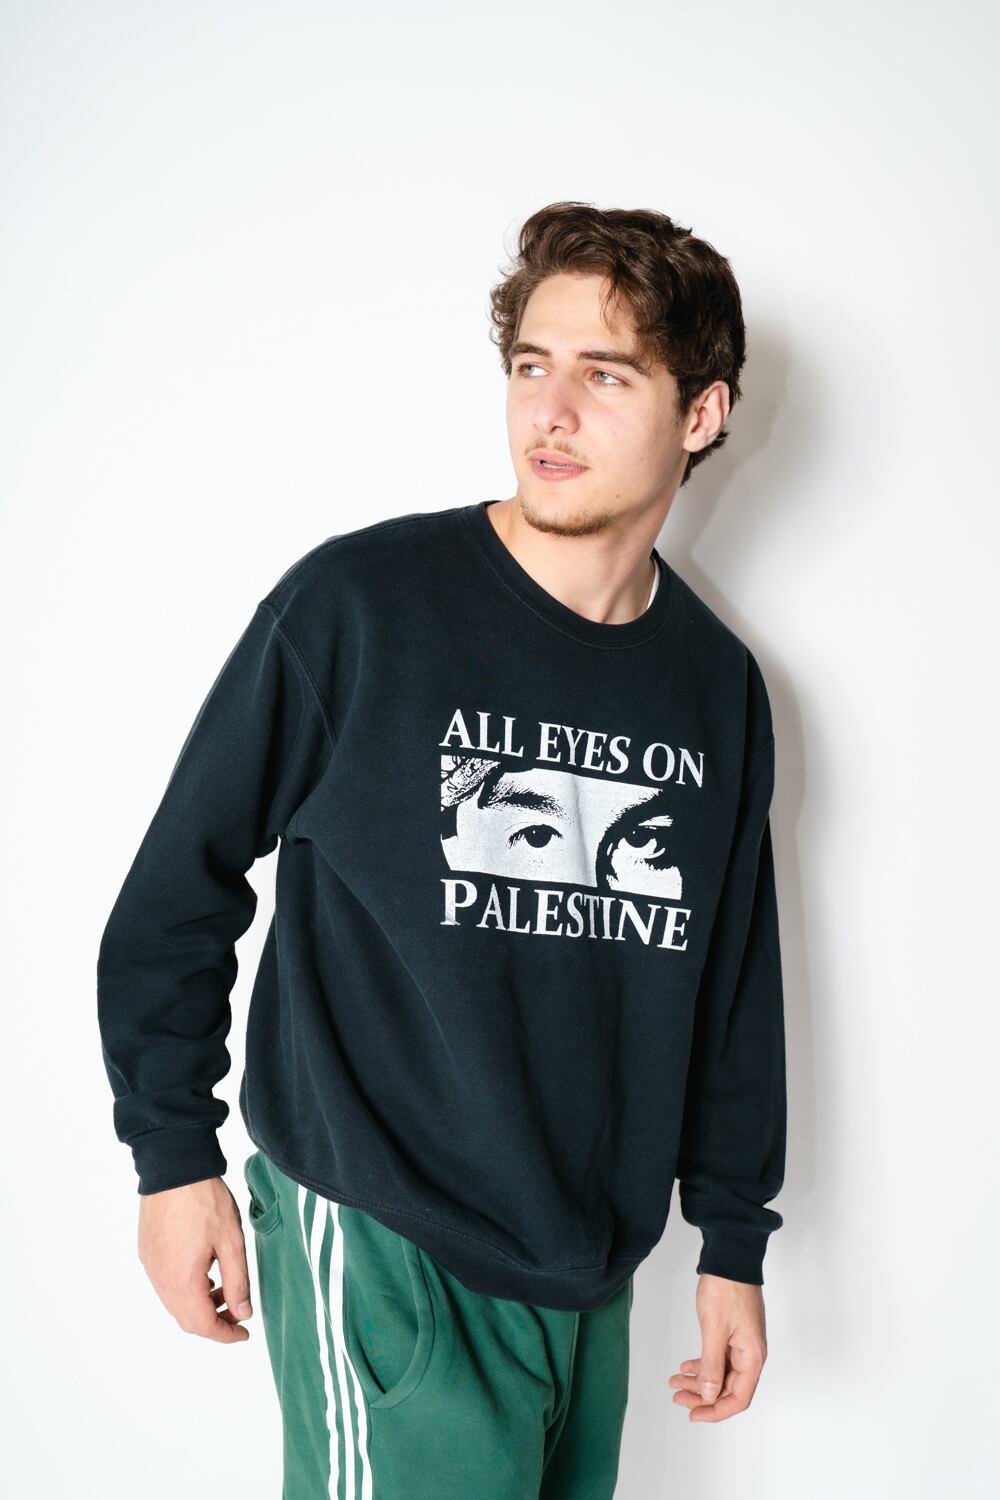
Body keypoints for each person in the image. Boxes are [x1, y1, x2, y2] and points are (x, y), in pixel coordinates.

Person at [97, 200, 787, 1499]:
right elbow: (178, 886)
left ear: (701, 413)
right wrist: (172, 1158)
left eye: (605, 375)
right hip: (387, 1241)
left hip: (588, 1267)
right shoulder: (362, 609)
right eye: (531, 365)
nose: (550, 412)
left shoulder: (714, 685)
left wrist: (733, 1239)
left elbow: (733, 982)